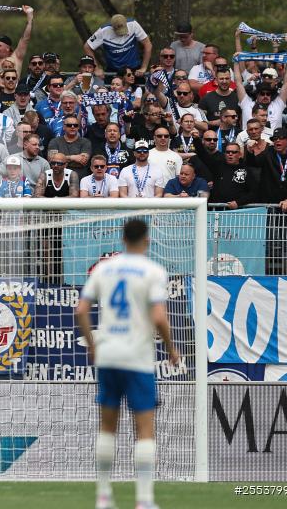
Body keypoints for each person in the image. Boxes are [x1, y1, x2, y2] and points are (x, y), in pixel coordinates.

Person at [75, 218, 179, 509]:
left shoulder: (105, 268)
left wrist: (93, 345)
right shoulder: (153, 271)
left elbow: (81, 309)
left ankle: (103, 497)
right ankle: (144, 500)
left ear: (122, 239)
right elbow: (159, 317)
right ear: (147, 240)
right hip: (137, 357)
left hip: (108, 354)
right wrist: (171, 349)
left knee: (107, 427)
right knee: (144, 428)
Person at [83, 14, 153, 76]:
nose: (121, 33)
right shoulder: (103, 31)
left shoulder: (133, 25)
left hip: (134, 69)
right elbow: (87, 47)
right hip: (114, 71)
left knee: (140, 89)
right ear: (112, 27)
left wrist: (144, 67)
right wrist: (96, 68)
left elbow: (148, 44)